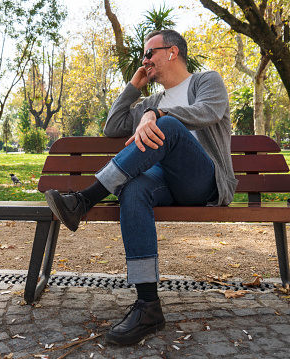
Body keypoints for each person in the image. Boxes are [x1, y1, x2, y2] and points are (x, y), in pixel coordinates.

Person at [45, 29, 238, 345]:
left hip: (203, 182)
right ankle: (148, 305)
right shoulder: (152, 98)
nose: (144, 59)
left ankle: (84, 199)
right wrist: (135, 88)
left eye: (149, 53)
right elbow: (113, 126)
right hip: (163, 182)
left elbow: (208, 112)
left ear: (172, 52)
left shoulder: (206, 81)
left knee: (169, 126)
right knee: (133, 190)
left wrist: (156, 114)